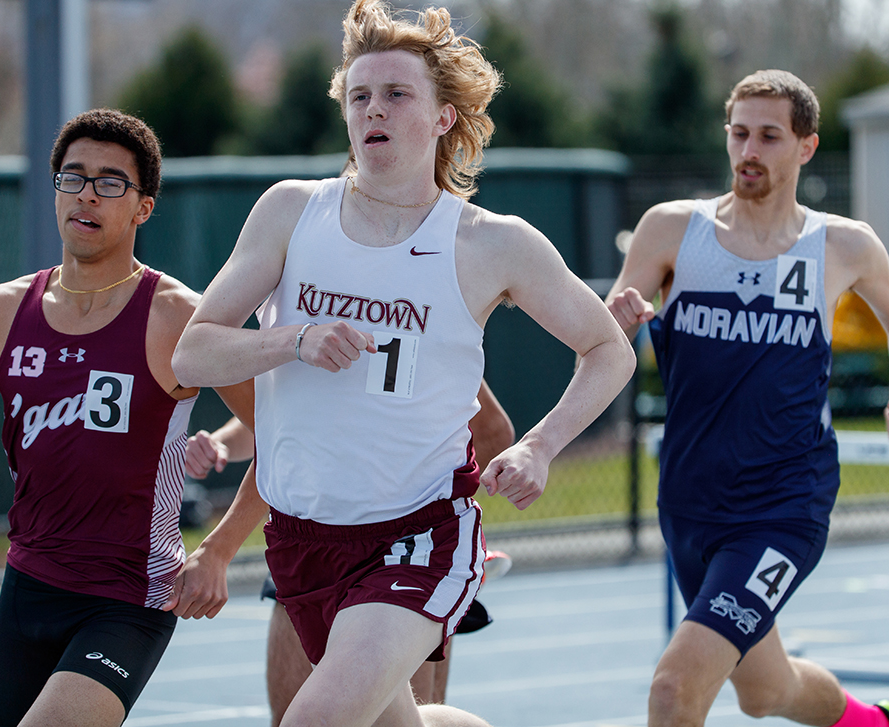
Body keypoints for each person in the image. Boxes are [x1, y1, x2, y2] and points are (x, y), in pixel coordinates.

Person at [171, 0, 635, 724]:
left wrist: (541, 446)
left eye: (395, 94)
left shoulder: (490, 243)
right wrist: (293, 339)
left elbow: (608, 348)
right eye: (359, 95)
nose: (372, 110)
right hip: (302, 536)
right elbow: (193, 350)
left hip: (420, 533)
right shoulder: (292, 212)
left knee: (314, 719)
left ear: (444, 116)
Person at [0, 108, 254, 727]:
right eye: (74, 178)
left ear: (142, 207)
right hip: (27, 586)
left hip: (129, 596)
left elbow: (285, 438)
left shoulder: (181, 319)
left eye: (111, 182)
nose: (88, 194)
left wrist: (220, 551)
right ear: (56, 192)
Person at [605, 69, 889, 727]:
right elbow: (603, 346)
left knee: (675, 688)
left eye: (768, 135)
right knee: (765, 691)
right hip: (690, 500)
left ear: (806, 147)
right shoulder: (672, 230)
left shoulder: (844, 245)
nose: (748, 151)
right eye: (738, 134)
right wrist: (614, 321)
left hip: (783, 506)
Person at [185, 380, 515, 724]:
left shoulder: (436, 332)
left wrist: (447, 513)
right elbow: (277, 412)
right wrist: (222, 442)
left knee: (325, 719)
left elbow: (492, 430)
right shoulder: (295, 334)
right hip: (305, 540)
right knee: (300, 712)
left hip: (404, 548)